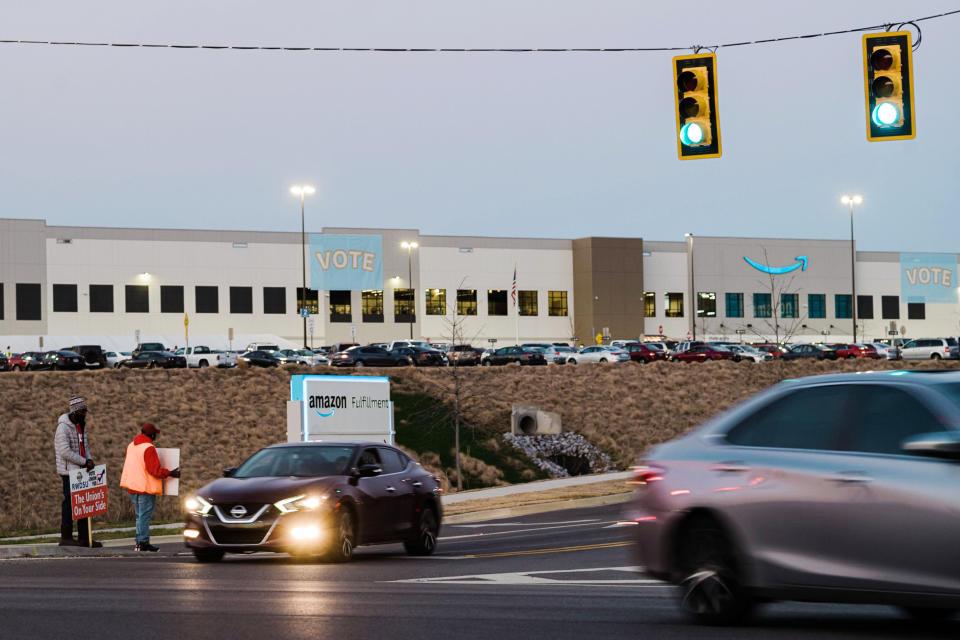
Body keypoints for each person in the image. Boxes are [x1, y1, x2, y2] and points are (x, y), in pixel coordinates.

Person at [120, 423, 179, 552]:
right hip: (145, 487)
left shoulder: (131, 445)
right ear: (151, 434)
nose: (155, 437)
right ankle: (143, 543)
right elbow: (155, 470)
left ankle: (139, 542)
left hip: (133, 486)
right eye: (155, 434)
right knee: (144, 516)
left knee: (139, 516)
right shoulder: (148, 448)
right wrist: (170, 473)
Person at [54, 394, 101, 547]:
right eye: (83, 411)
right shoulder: (63, 427)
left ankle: (84, 537)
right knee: (69, 503)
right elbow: (64, 451)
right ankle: (66, 537)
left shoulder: (80, 426)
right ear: (75, 411)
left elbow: (85, 447)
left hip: (81, 471)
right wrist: (83, 461)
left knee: (84, 502)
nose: (85, 414)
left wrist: (90, 460)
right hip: (68, 472)